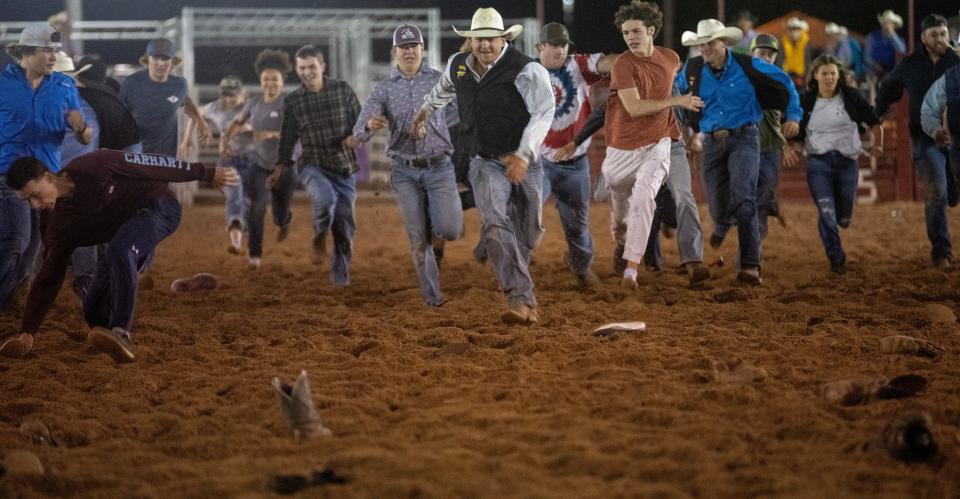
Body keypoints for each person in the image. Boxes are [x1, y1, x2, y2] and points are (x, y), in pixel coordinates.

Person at [0, 150, 238, 362]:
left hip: (158, 206)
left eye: (35, 195)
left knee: (120, 250)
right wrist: (27, 331)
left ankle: (122, 332)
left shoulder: (94, 166)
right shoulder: (57, 223)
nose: (34, 205)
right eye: (28, 200)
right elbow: (49, 274)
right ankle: (113, 327)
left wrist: (205, 173)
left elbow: (152, 163)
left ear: (48, 177)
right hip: (126, 231)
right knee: (93, 312)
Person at [412, 7, 554, 324]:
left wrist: (523, 154)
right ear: (471, 40)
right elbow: (444, 89)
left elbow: (543, 113)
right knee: (493, 221)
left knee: (529, 235)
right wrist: (424, 111)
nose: (484, 46)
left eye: (490, 39)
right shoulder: (460, 66)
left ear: (503, 39)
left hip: (525, 162)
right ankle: (521, 299)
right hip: (485, 162)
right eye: (478, 39)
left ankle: (510, 255)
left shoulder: (526, 70)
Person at [676, 19, 802, 285]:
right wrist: (681, 105)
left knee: (745, 199)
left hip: (745, 137)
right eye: (701, 44)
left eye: (710, 43)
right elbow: (674, 91)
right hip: (711, 142)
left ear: (724, 43)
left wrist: (793, 116)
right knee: (718, 208)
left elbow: (786, 83)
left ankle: (750, 266)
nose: (705, 48)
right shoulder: (692, 69)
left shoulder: (748, 64)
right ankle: (722, 226)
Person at [347, 24, 462, 307]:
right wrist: (370, 125)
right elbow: (360, 129)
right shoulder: (383, 90)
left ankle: (437, 231)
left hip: (439, 165)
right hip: (403, 170)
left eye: (414, 46)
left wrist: (437, 129)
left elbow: (461, 113)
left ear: (423, 49)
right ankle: (434, 298)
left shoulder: (440, 81)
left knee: (450, 229)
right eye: (404, 47)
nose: (409, 51)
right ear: (394, 52)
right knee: (416, 239)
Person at [600, 1, 704, 290]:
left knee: (655, 198)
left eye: (635, 31)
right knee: (621, 215)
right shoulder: (623, 64)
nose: (630, 38)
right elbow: (633, 108)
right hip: (622, 148)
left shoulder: (671, 59)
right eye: (625, 33)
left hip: (662, 141)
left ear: (652, 30)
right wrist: (677, 101)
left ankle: (641, 269)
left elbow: (680, 89)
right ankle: (621, 240)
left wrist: (693, 130)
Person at [0, 23, 92, 311]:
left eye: (55, 51)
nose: (53, 56)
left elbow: (84, 134)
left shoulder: (64, 86)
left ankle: (11, 296)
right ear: (25, 54)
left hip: (45, 179)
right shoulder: (3, 84)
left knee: (32, 247)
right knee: (17, 240)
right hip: (10, 176)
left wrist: (81, 129)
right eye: (46, 50)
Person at [271, 44, 361, 286]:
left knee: (344, 225)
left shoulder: (342, 90)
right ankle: (320, 233)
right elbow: (288, 135)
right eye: (302, 68)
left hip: (344, 167)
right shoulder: (293, 101)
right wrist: (280, 166)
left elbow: (361, 122)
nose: (307, 72)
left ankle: (340, 277)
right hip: (312, 165)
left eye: (311, 66)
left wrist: (359, 136)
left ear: (322, 66)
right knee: (324, 199)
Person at [876, 14, 959, 269]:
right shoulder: (910, 64)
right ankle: (941, 252)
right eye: (934, 34)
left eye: (943, 34)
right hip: (925, 140)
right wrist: (878, 113)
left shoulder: (956, 61)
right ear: (923, 38)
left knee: (950, 195)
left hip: (956, 138)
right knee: (936, 192)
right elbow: (889, 87)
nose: (940, 39)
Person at [785, 55, 882, 273]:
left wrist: (878, 144)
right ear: (816, 76)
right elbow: (789, 128)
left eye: (832, 73)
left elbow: (874, 121)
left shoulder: (852, 96)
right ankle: (836, 257)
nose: (829, 77)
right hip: (818, 162)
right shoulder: (805, 101)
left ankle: (839, 224)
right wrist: (788, 146)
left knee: (844, 217)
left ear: (838, 76)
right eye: (824, 73)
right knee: (826, 211)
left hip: (847, 161)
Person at [535, 22, 614, 288]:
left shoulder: (577, 65)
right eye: (554, 44)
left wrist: (633, 61)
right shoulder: (527, 73)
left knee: (577, 225)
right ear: (540, 47)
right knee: (528, 214)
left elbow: (606, 64)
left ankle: (581, 267)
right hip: (541, 163)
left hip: (575, 163)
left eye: (563, 45)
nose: (560, 50)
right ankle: (515, 272)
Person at [710, 33, 798, 249]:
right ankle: (723, 225)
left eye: (770, 55)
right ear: (752, 53)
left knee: (762, 193)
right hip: (741, 146)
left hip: (767, 149)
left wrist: (787, 140)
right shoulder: (737, 78)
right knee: (739, 193)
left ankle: (751, 253)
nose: (766, 58)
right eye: (762, 53)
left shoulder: (780, 81)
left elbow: (786, 116)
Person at [222, 49, 296, 270]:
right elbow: (237, 122)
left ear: (282, 81)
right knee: (257, 208)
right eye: (266, 79)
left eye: (275, 79)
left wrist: (271, 134)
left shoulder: (289, 104)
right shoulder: (253, 103)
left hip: (284, 167)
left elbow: (295, 133)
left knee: (280, 214)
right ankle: (255, 256)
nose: (270, 83)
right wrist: (226, 138)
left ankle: (284, 222)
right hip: (259, 166)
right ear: (261, 81)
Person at [186, 75, 251, 255]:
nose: (229, 99)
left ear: (241, 93)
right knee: (235, 195)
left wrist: (251, 128)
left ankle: (242, 229)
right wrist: (186, 140)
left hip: (252, 161)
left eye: (233, 95)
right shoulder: (215, 107)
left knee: (248, 201)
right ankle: (236, 240)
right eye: (226, 95)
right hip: (228, 160)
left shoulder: (251, 108)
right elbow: (194, 113)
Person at [120, 38, 211, 158]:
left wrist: (201, 122)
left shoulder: (179, 85)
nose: (161, 63)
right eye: (156, 57)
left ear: (173, 62)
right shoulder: (131, 83)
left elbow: (186, 102)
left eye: (165, 58)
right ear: (147, 60)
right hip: (136, 155)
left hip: (165, 158)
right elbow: (118, 115)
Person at [866, 10, 907, 82]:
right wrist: (875, 65)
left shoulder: (898, 39)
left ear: (894, 25)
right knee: (871, 77)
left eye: (890, 23)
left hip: (890, 70)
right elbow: (867, 56)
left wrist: (892, 34)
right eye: (885, 22)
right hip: (873, 70)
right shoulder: (872, 37)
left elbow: (901, 50)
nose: (887, 25)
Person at [781, 17, 811, 90]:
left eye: (796, 29)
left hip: (802, 77)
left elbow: (808, 61)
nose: (793, 32)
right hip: (787, 76)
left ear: (801, 31)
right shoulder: (782, 43)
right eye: (791, 29)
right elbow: (780, 61)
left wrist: (808, 78)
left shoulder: (806, 43)